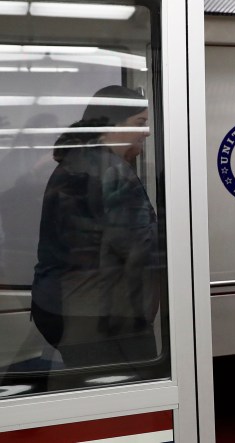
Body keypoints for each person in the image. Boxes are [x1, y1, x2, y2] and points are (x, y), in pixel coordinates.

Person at [31, 85, 160, 368]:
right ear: (111, 126)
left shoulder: (76, 160)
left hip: (63, 302)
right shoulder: (111, 171)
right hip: (105, 313)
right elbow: (139, 247)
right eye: (140, 123)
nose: (147, 132)